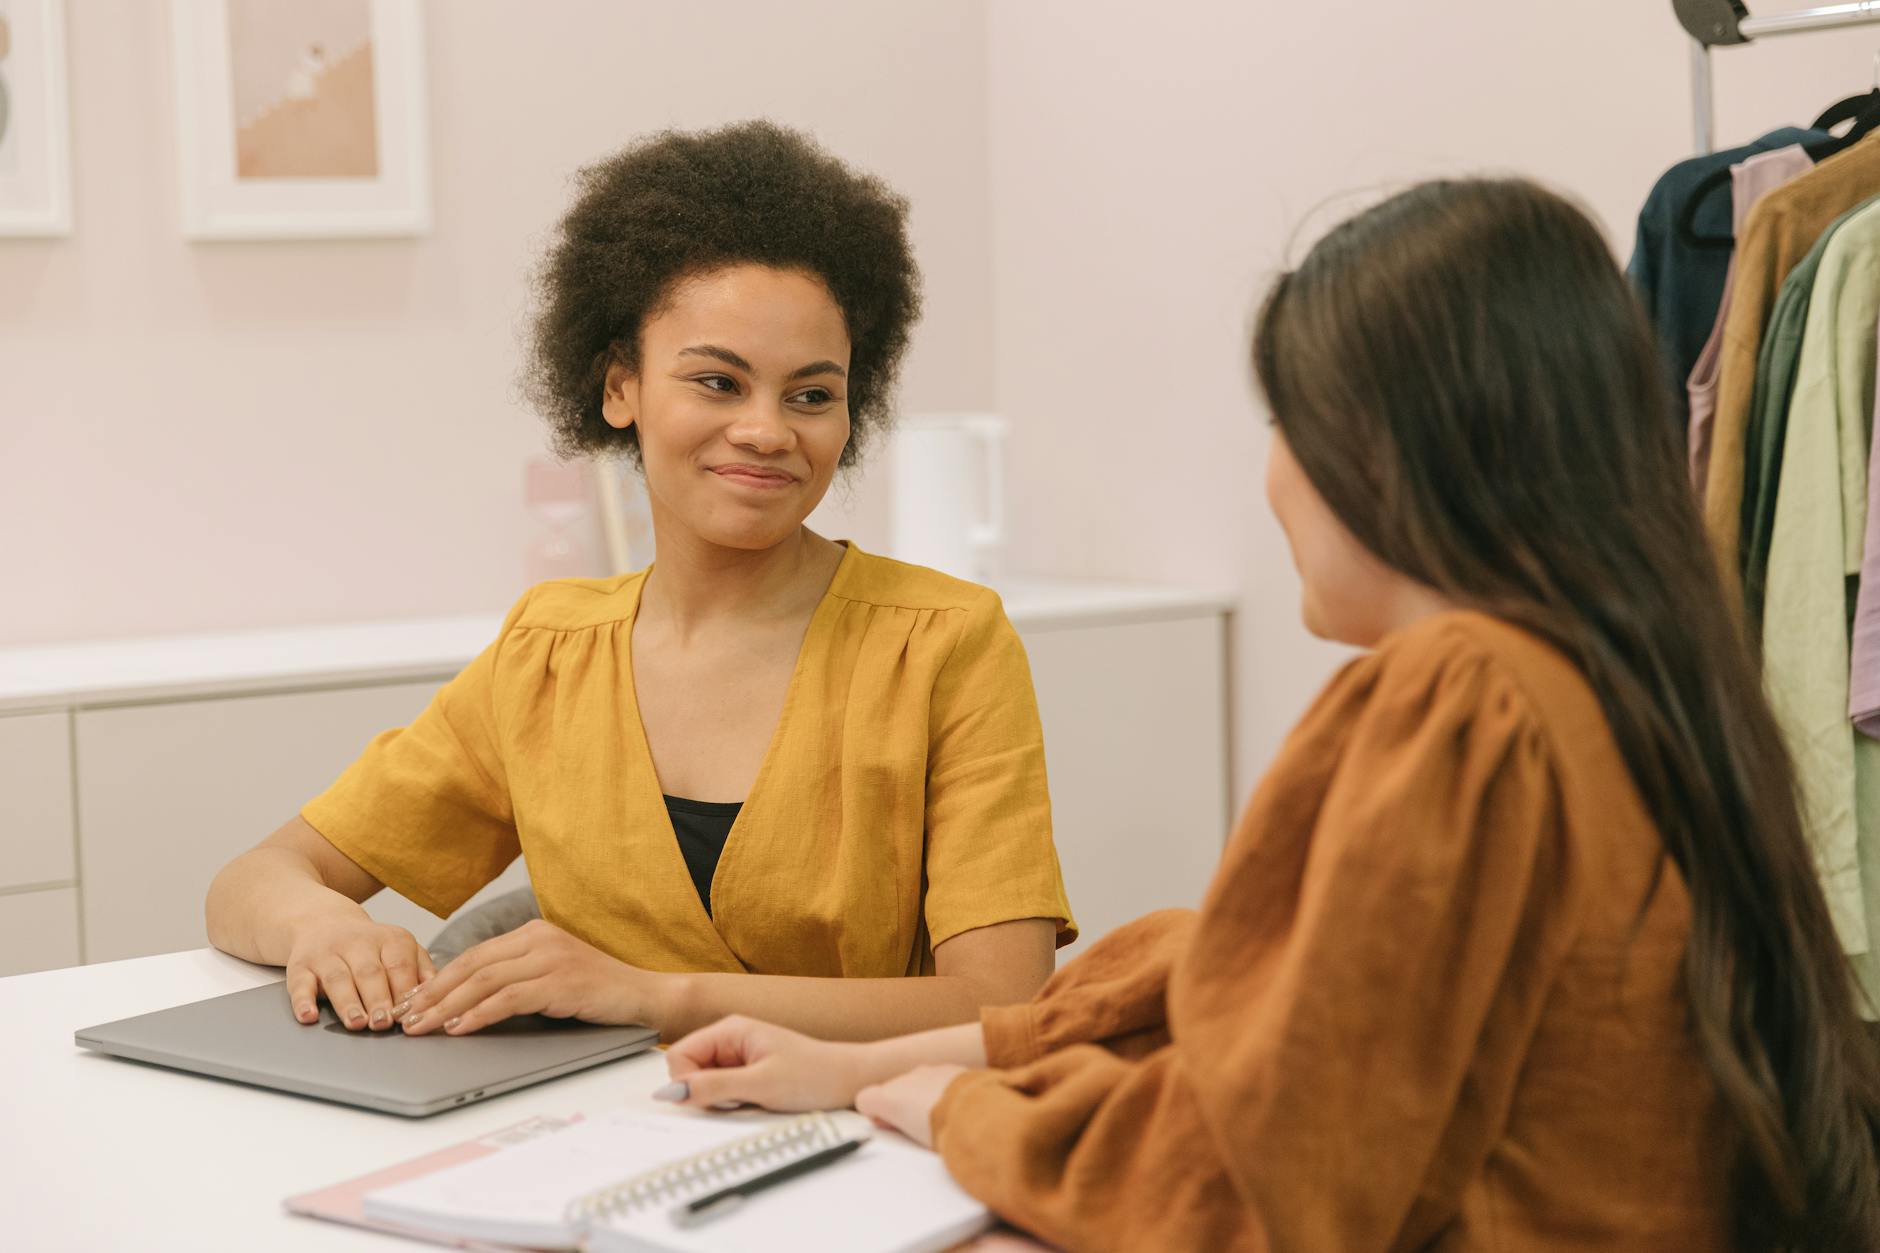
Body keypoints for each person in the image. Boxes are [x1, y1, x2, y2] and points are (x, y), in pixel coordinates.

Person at [652, 179, 1880, 1251]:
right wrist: (882, 1065)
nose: (1272, 476)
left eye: (1283, 424)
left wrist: (964, 1113)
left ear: (1385, 449)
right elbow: (1277, 985)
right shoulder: (1635, 682)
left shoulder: (1463, 699)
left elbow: (1272, 1176)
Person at [204, 121, 1074, 1045]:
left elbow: (1002, 1003)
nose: (768, 430)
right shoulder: (549, 652)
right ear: (621, 389)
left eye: (811, 395)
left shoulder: (945, 640)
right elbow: (252, 879)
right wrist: (325, 923)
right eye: (717, 382)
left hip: (861, 1137)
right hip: (591, 1140)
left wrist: (660, 994)